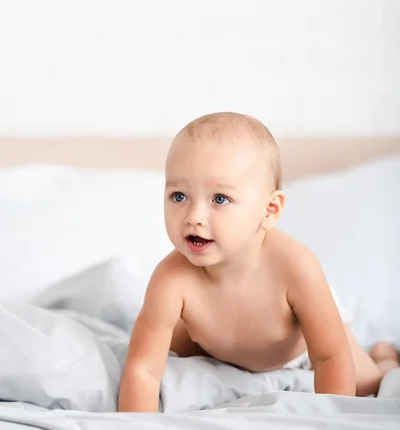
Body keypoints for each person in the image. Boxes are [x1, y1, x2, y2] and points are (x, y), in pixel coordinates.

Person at [118, 112, 399, 412]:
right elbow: (143, 370)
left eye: (220, 199)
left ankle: (384, 358)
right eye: (178, 196)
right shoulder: (171, 279)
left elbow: (330, 356)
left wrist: (327, 425)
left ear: (269, 210)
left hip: (302, 347)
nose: (194, 217)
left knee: (368, 383)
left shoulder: (295, 267)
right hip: (216, 340)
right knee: (161, 342)